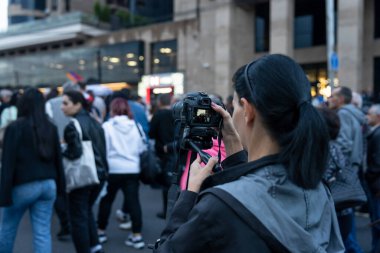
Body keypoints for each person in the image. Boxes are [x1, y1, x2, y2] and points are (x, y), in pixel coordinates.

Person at [153, 54, 344, 252]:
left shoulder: (220, 206)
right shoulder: (318, 188)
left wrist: (189, 193)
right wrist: (235, 149)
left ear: (247, 110)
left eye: (235, 106)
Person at [0, 88, 65, 252]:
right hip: (49, 184)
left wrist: (4, 193)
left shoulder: (15, 128)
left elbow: (8, 163)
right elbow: (58, 160)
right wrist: (62, 190)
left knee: (8, 228)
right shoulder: (50, 127)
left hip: (23, 184)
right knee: (42, 232)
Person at [61, 90, 108, 253]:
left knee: (78, 217)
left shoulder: (72, 125)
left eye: (66, 103)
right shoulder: (95, 121)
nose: (62, 107)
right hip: (100, 176)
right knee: (86, 211)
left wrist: (61, 149)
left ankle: (85, 249)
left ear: (78, 104)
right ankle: (95, 246)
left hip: (83, 177)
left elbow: (74, 153)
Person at [97, 98, 146, 249]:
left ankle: (101, 232)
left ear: (112, 109)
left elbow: (102, 148)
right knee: (133, 202)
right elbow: (141, 148)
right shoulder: (136, 126)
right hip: (132, 169)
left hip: (112, 169)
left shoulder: (107, 126)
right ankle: (137, 236)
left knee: (106, 201)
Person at [328, 86, 366, 252]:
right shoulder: (355, 113)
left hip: (343, 175)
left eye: (332, 96)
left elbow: (343, 144)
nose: (329, 99)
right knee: (347, 230)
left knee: (346, 238)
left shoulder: (343, 114)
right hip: (352, 171)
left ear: (341, 99)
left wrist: (332, 157)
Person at [149, 93, 176, 219]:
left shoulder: (158, 115)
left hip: (162, 151)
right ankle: (171, 209)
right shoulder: (175, 114)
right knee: (173, 180)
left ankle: (166, 211)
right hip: (175, 149)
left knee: (166, 184)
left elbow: (151, 133)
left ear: (160, 102)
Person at [365, 104, 380, 253]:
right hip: (375, 185)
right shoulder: (374, 133)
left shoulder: (378, 134)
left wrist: (368, 175)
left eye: (370, 114)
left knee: (377, 223)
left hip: (377, 187)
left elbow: (377, 163)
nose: (367, 116)